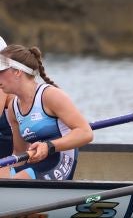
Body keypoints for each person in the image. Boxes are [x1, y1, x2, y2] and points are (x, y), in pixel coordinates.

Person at [0, 44, 93, 180]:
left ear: (17, 71)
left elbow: (86, 133)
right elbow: (20, 152)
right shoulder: (14, 108)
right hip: (36, 163)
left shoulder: (50, 96)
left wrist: (49, 146)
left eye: (1, 71)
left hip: (60, 161)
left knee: (18, 179)